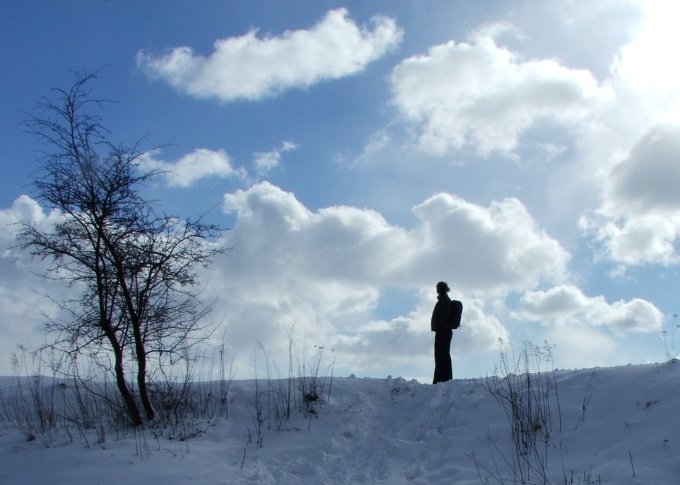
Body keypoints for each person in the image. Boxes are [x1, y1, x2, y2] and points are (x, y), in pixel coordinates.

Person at [431, 281, 453, 384]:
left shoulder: (444, 300)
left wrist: (439, 324)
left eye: (439, 288)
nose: (437, 289)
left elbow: (444, 315)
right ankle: (441, 379)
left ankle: (442, 379)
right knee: (441, 355)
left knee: (442, 356)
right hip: (442, 330)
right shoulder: (443, 300)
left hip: (443, 331)